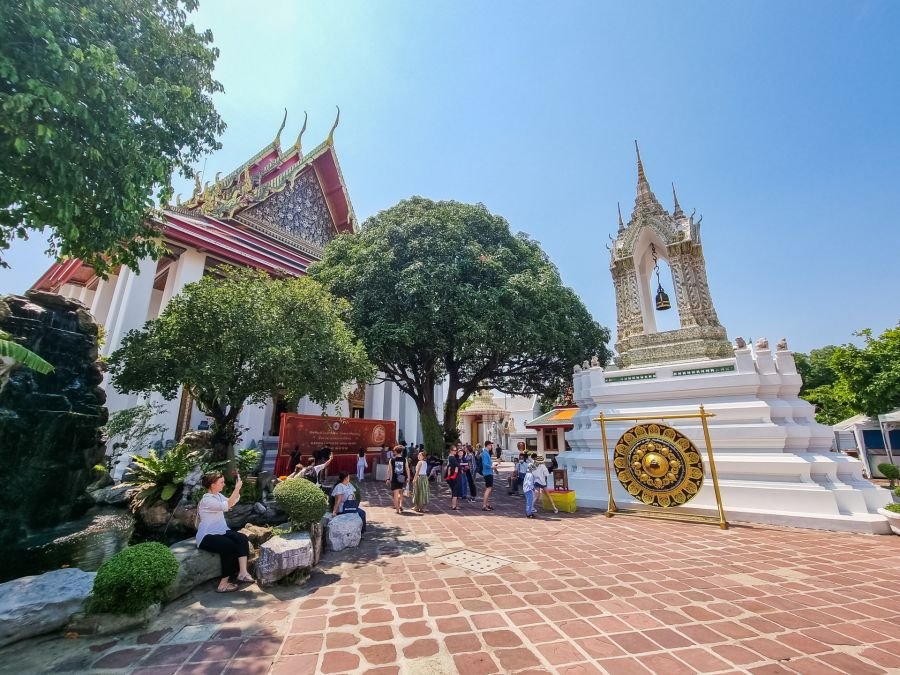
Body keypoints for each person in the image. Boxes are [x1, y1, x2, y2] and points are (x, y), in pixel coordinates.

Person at [196, 472, 252, 593]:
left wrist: (237, 490)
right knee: (229, 546)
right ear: (212, 484)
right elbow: (228, 505)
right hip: (206, 536)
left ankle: (242, 573)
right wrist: (236, 489)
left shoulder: (218, 496)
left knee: (242, 538)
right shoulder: (206, 500)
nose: (224, 484)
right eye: (221, 482)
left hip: (221, 531)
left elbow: (233, 501)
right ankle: (222, 585)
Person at [387, 444, 409, 514]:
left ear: (396, 451)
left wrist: (388, 478)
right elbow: (407, 469)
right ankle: (401, 505)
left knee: (395, 494)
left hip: (394, 478)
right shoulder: (404, 459)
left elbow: (389, 470)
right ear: (401, 452)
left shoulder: (392, 460)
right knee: (401, 492)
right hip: (402, 478)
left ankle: (397, 510)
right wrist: (408, 477)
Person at [481, 441, 496, 511]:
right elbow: (485, 464)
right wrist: (491, 467)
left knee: (489, 488)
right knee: (488, 488)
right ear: (487, 445)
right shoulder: (484, 453)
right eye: (490, 445)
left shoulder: (486, 453)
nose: (491, 447)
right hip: (487, 473)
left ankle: (487, 504)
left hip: (489, 472)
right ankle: (484, 505)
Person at [446, 445, 461, 510]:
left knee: (453, 490)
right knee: (455, 490)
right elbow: (458, 465)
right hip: (454, 476)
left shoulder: (451, 457)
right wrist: (460, 468)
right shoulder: (452, 458)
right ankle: (454, 506)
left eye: (455, 450)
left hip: (452, 476)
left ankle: (453, 505)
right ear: (451, 451)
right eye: (454, 450)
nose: (455, 451)